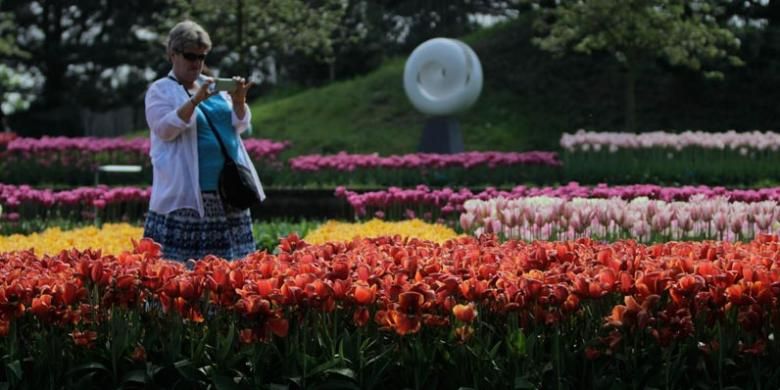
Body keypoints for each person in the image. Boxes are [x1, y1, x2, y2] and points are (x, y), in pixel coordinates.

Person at [143, 20, 265, 262]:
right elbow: (165, 129)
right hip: (189, 195)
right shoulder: (160, 90)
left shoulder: (211, 86)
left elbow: (239, 126)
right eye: (190, 57)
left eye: (202, 57)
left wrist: (239, 101)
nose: (197, 64)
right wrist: (194, 100)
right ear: (172, 54)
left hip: (229, 192)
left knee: (232, 268)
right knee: (185, 270)